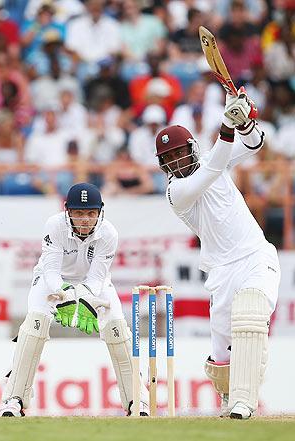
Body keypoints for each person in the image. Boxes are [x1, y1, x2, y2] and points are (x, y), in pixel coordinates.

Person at [154, 89, 279, 419]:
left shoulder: (213, 158)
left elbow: (254, 144)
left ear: (191, 147)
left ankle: (243, 402)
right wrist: (227, 122)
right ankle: (228, 398)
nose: (178, 162)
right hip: (221, 271)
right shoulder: (176, 192)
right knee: (222, 353)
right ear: (164, 166)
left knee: (250, 317)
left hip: (255, 256)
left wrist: (245, 121)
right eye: (170, 159)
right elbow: (212, 171)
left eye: (181, 153)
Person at [0, 183, 149, 417]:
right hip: (52, 281)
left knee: (117, 328)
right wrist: (66, 295)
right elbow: (50, 272)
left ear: (100, 212)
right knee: (35, 326)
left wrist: (84, 299)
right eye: (79, 213)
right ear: (67, 210)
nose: (85, 220)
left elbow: (97, 278)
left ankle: (137, 402)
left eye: (91, 213)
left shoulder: (109, 233)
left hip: (94, 283)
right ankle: (13, 400)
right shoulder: (55, 225)